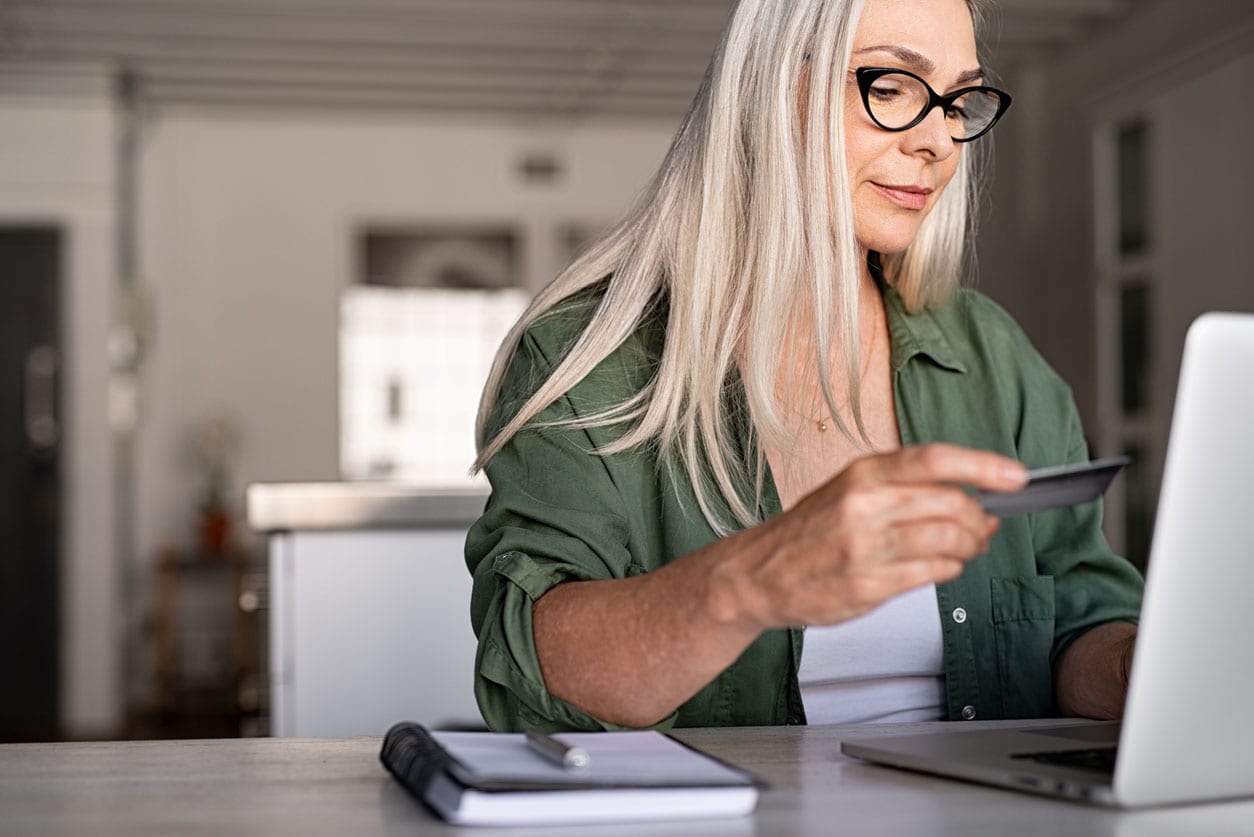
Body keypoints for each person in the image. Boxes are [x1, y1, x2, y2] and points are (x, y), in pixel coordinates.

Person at [465, 0, 1143, 733]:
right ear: (770, 90)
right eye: (890, 89)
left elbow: (1082, 619)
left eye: (958, 101)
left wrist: (1145, 668)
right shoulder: (587, 357)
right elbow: (531, 675)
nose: (940, 141)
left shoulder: (992, 356)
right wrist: (756, 578)